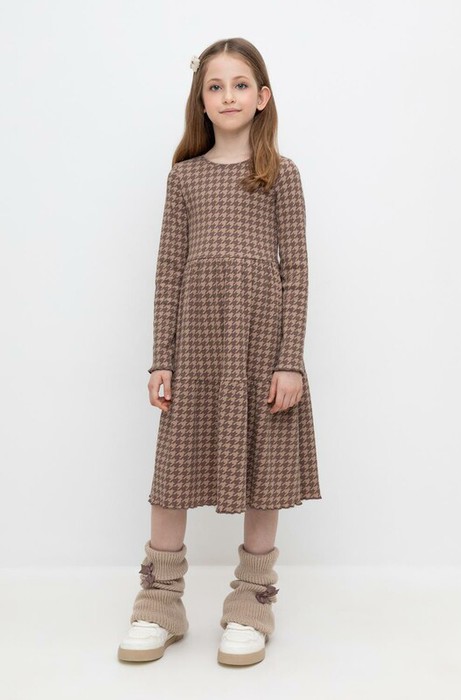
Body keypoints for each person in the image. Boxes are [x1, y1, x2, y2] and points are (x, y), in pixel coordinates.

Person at [118, 37, 322, 667]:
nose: (227, 96)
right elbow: (167, 270)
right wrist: (161, 357)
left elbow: (297, 270)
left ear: (262, 98)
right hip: (198, 347)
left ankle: (251, 604)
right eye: (215, 86)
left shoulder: (281, 174)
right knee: (172, 476)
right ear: (201, 101)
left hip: (261, 346)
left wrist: (290, 360)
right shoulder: (184, 177)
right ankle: (161, 603)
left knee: (264, 474)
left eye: (240, 84)